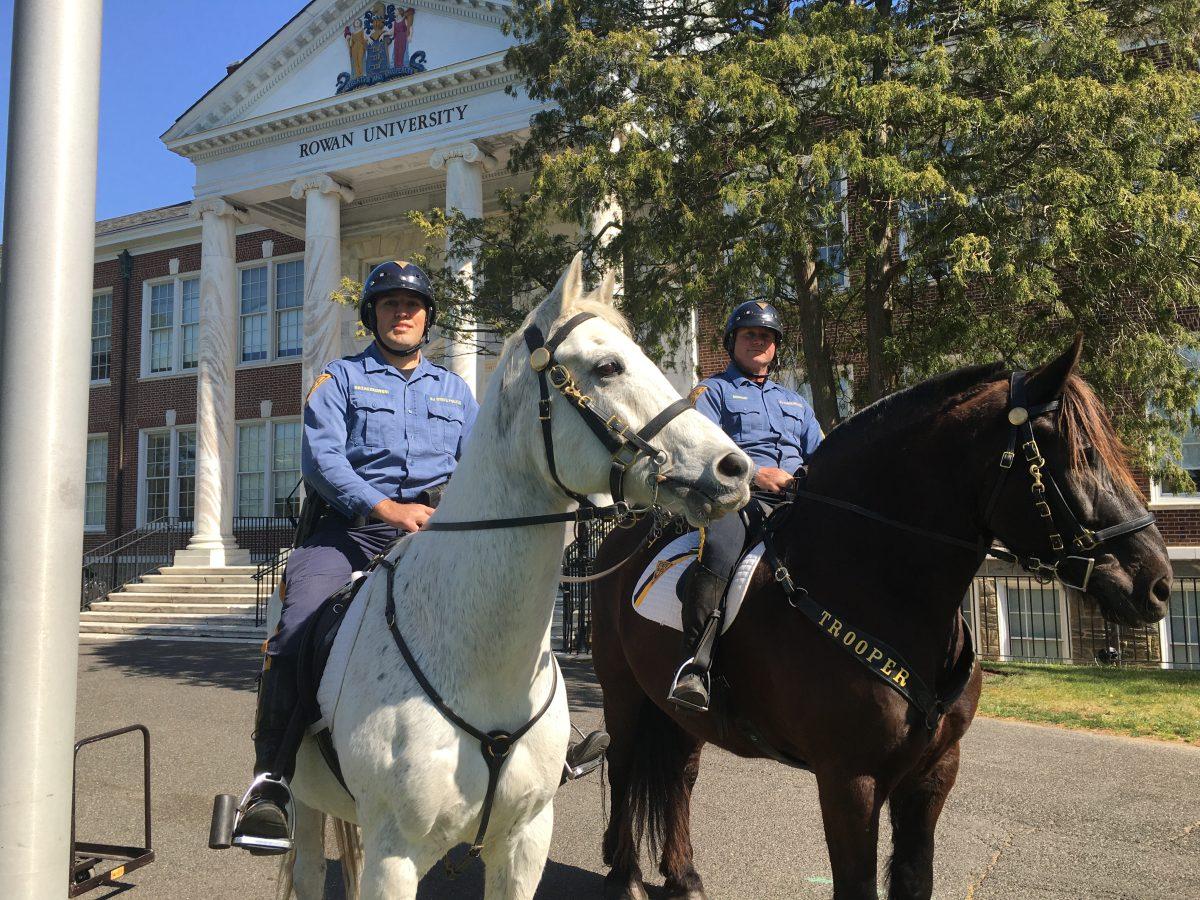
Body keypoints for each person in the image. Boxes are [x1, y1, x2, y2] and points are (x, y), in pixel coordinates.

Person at [232, 260, 607, 854]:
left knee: (507, 611)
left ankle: (545, 747)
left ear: (428, 318)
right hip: (346, 535)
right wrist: (384, 507)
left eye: (412, 305)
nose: (402, 313)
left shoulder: (454, 391)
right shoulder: (341, 380)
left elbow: (483, 462)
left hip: (438, 532)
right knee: (297, 626)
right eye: (388, 304)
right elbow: (322, 462)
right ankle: (272, 780)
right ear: (372, 316)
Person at [667, 300, 823, 713]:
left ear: (775, 349)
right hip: (736, 500)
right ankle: (694, 667)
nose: (759, 341)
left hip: (795, 501)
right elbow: (700, 450)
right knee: (719, 549)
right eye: (750, 334)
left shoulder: (797, 402)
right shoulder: (711, 392)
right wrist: (755, 475)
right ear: (732, 341)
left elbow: (820, 453)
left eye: (767, 337)